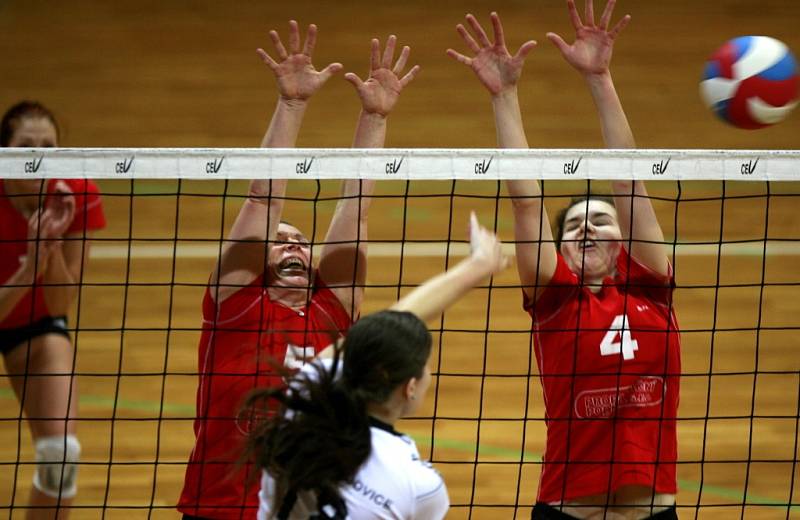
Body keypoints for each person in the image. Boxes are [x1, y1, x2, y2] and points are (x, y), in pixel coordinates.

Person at [177, 21, 419, 520]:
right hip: (221, 510)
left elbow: (357, 203)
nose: (291, 245)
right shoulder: (236, 306)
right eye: (279, 240)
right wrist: (291, 105)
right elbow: (262, 198)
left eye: (301, 241)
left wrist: (374, 117)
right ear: (258, 264)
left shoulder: (332, 313)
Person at [448, 2, 680, 519]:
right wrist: (504, 96)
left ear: (624, 244)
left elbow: (629, 182)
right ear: (563, 253)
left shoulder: (651, 291)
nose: (586, 226)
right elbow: (527, 204)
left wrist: (600, 78)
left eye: (600, 220)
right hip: (566, 510)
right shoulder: (555, 302)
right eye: (573, 225)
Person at [246, 213, 508, 520]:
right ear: (410, 388)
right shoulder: (419, 484)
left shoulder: (302, 409)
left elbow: (382, 328)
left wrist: (477, 267)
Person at [0, 101, 107, 519]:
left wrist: (52, 245)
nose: (38, 157)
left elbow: (60, 304)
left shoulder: (76, 194)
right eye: (26, 147)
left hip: (35, 325)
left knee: (60, 458)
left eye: (49, 146)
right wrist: (28, 270)